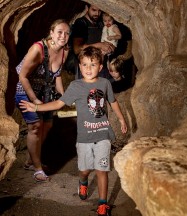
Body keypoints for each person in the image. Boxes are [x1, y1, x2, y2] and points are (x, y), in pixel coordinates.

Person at [19, 46, 127, 216]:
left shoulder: (105, 83)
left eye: (93, 65)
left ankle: (102, 204)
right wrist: (37, 106)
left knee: (102, 169)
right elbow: (59, 104)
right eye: (84, 65)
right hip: (84, 137)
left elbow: (112, 102)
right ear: (79, 67)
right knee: (85, 169)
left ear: (100, 67)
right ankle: (83, 181)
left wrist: (121, 118)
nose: (88, 69)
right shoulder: (76, 86)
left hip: (103, 134)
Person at [15, 19, 70, 182]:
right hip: (23, 87)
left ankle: (30, 160)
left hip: (44, 88)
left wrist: (63, 95)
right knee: (35, 126)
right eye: (60, 32)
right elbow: (22, 76)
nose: (63, 36)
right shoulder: (37, 49)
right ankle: (37, 169)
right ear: (51, 32)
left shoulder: (64, 51)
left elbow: (57, 74)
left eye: (67, 33)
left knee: (47, 125)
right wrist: (35, 101)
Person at [71, 3, 115, 79]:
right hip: (87, 69)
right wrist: (99, 45)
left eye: (99, 11)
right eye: (94, 10)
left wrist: (110, 48)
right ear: (87, 8)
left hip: (102, 67)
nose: (97, 14)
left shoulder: (102, 23)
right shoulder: (81, 23)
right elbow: (77, 49)